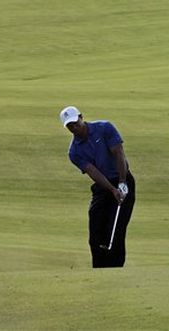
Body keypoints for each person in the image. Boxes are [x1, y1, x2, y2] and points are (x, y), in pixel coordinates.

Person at [59, 105, 136, 268]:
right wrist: (112, 190)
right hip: (104, 186)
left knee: (116, 229)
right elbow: (93, 172)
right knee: (95, 227)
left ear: (81, 117)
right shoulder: (74, 152)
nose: (73, 127)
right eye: (69, 126)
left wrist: (122, 183)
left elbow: (119, 153)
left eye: (74, 122)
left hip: (123, 178)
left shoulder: (104, 128)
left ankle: (116, 268)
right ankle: (99, 269)